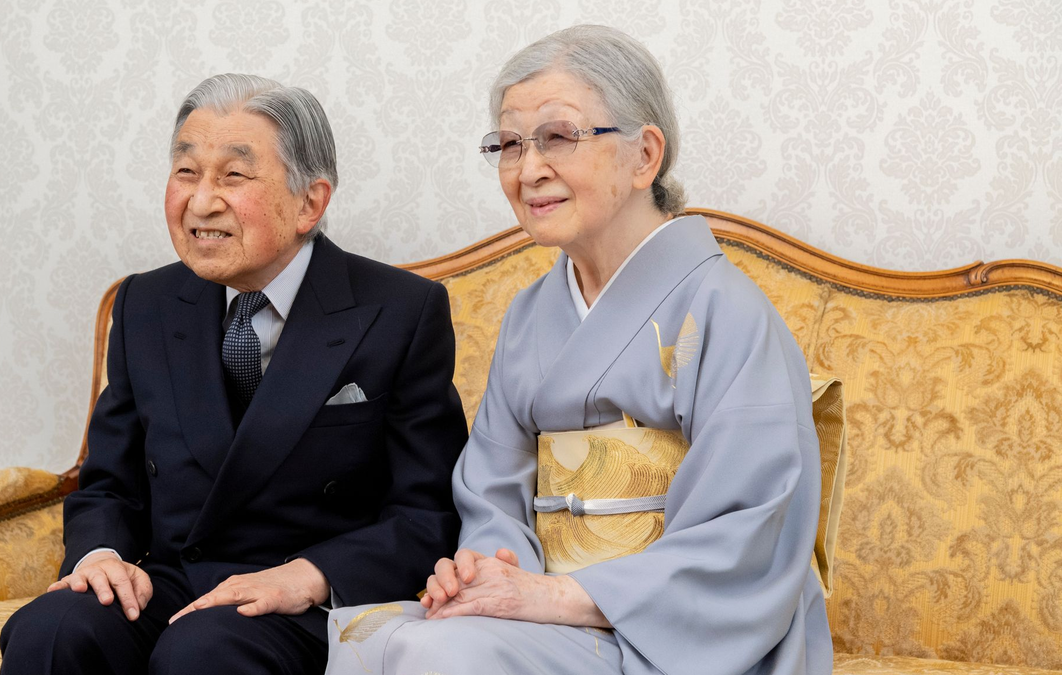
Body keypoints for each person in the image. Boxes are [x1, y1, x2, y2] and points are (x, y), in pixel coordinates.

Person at [324, 25, 833, 675]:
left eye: (558, 136)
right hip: (553, 617)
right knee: (375, 638)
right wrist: (493, 572)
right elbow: (490, 494)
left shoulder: (727, 311)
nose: (529, 167)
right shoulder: (530, 315)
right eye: (509, 143)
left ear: (644, 155)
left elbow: (747, 531)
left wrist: (555, 596)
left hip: (679, 632)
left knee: (435, 652)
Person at [0, 73, 469, 675]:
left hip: (302, 598)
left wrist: (312, 576)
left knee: (205, 652)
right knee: (53, 628)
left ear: (310, 202)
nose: (200, 201)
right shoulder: (145, 303)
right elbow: (108, 483)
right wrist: (100, 553)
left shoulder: (400, 311)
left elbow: (426, 514)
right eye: (187, 172)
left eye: (234, 176)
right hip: (170, 581)